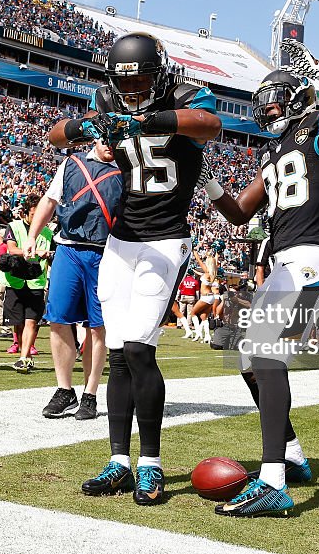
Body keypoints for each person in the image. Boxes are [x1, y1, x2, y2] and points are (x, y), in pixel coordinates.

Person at [208, 39, 319, 516]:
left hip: (309, 259)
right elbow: (240, 213)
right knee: (250, 360)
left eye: (276, 101)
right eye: (263, 106)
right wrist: (205, 179)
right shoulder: (274, 151)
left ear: (301, 97)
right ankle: (291, 455)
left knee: (264, 352)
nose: (268, 111)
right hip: (284, 262)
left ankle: (273, 482)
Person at [50, 31, 221, 506]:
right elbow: (57, 134)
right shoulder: (107, 100)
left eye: (143, 79)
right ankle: (119, 462)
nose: (133, 90)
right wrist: (96, 130)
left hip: (165, 240)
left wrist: (153, 119)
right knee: (120, 356)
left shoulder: (183, 95)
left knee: (141, 350)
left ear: (160, 73)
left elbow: (210, 124)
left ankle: (151, 464)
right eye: (126, 83)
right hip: (121, 241)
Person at [25, 140, 122, 419]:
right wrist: (33, 235)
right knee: (58, 319)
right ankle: (64, 390)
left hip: (105, 253)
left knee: (97, 326)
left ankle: (90, 394)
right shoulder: (71, 163)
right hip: (68, 247)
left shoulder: (126, 171)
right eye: (107, 141)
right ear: (96, 138)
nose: (111, 147)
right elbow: (49, 199)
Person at [1, 193, 53, 373]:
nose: (37, 217)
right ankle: (25, 355)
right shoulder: (13, 226)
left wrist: (50, 255)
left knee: (31, 322)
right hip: (15, 281)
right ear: (26, 212)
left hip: (36, 283)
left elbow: (53, 255)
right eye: (34, 213)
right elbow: (11, 249)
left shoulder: (48, 232)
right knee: (19, 322)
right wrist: (37, 251)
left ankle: (24, 358)